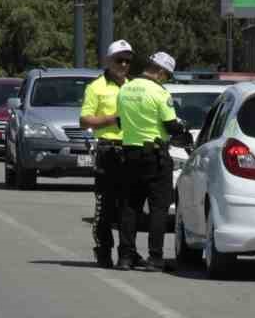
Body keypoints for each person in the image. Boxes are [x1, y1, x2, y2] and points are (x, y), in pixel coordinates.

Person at [116, 50, 186, 272]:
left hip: (129, 154)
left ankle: (125, 257)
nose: (167, 79)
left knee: (129, 207)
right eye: (168, 76)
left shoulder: (125, 88)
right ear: (161, 72)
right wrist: (183, 131)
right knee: (159, 207)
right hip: (154, 155)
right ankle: (155, 258)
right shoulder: (159, 93)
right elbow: (170, 126)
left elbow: (119, 122)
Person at [79, 39, 132, 267]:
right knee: (105, 205)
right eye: (119, 60)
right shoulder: (96, 87)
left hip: (131, 150)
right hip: (107, 149)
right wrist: (112, 120)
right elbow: (84, 121)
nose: (123, 64)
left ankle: (127, 253)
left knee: (128, 206)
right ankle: (103, 250)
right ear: (108, 61)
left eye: (127, 60)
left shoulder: (133, 87)